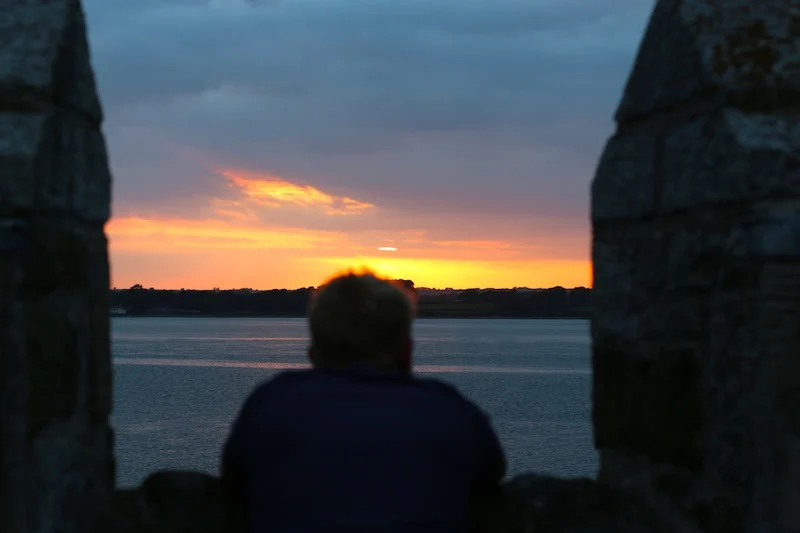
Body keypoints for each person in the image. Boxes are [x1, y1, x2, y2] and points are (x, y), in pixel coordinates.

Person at [220, 271, 506, 533]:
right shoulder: (448, 408)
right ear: (407, 352)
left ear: (312, 355)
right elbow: (489, 476)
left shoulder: (272, 402)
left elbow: (235, 481)